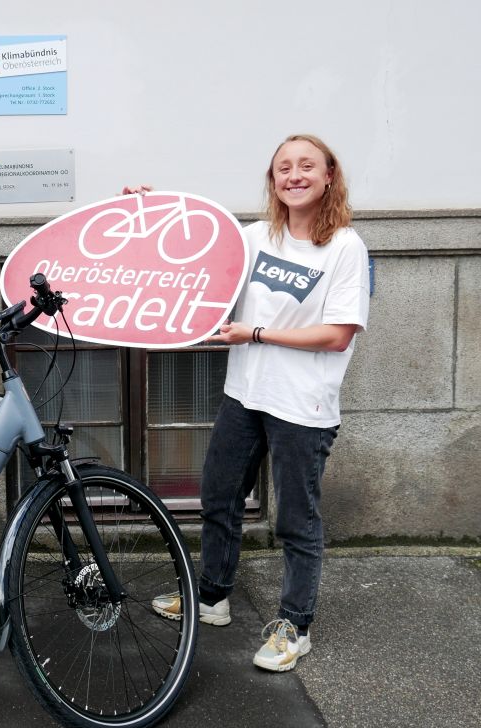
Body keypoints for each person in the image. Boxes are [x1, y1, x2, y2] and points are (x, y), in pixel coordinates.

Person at [135, 134, 370, 671]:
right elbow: (189, 254)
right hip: (245, 395)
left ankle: (295, 625)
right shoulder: (256, 236)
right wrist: (148, 213)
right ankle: (212, 598)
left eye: (306, 165)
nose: (294, 175)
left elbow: (337, 334)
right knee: (219, 498)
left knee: (296, 521)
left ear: (329, 175)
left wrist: (257, 333)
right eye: (283, 167)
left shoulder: (344, 247)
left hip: (302, 407)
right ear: (273, 180)